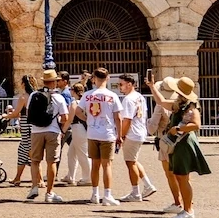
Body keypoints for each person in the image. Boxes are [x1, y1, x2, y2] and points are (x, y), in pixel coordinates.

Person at [157, 76, 210, 218]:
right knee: (180, 176)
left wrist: (178, 128)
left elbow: (196, 125)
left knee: (183, 177)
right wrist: (151, 87)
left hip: (184, 143)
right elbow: (161, 102)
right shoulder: (180, 105)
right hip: (180, 143)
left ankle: (188, 210)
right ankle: (186, 208)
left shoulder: (191, 107)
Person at [71, 67, 122, 205]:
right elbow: (118, 117)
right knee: (107, 166)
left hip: (92, 132)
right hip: (107, 133)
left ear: (94, 79)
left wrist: (86, 119)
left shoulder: (87, 95)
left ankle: (94, 194)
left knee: (95, 165)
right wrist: (120, 134)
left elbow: (78, 111)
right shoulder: (112, 96)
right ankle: (107, 195)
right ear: (108, 78)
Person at [22, 70, 69, 203]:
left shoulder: (34, 95)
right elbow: (65, 118)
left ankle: (34, 187)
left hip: (36, 131)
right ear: (54, 82)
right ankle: (49, 192)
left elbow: (28, 112)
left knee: (35, 161)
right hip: (52, 131)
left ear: (43, 81)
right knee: (51, 162)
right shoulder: (59, 98)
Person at [114, 74, 158, 203]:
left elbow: (126, 120)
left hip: (132, 133)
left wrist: (121, 135)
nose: (119, 87)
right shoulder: (139, 97)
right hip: (140, 131)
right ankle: (148, 185)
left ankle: (135, 192)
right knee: (134, 160)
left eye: (121, 84)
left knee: (130, 162)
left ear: (129, 84)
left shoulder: (128, 99)